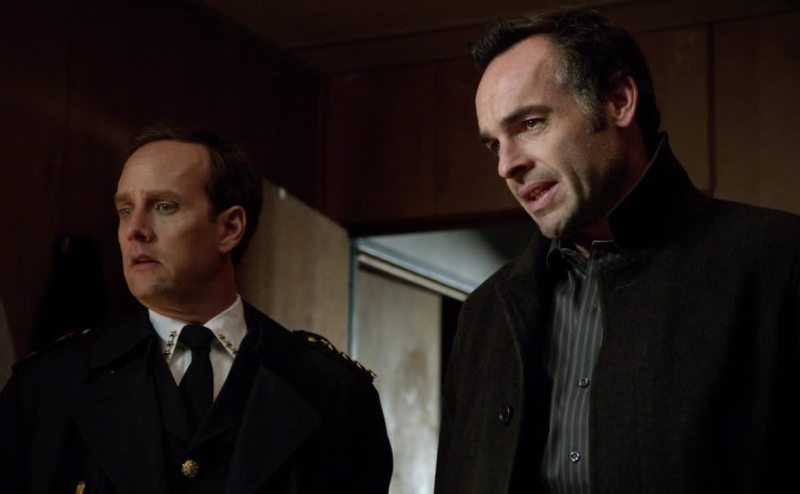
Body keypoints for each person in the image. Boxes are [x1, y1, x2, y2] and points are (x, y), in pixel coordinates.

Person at [434, 7, 799, 493]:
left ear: (618, 101)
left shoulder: (778, 261)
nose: (507, 165)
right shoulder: (485, 311)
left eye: (530, 124)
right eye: (494, 145)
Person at [0, 125, 393, 493]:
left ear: (229, 228)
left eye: (164, 206)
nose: (134, 229)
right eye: (125, 210)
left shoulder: (336, 393)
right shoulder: (47, 387)